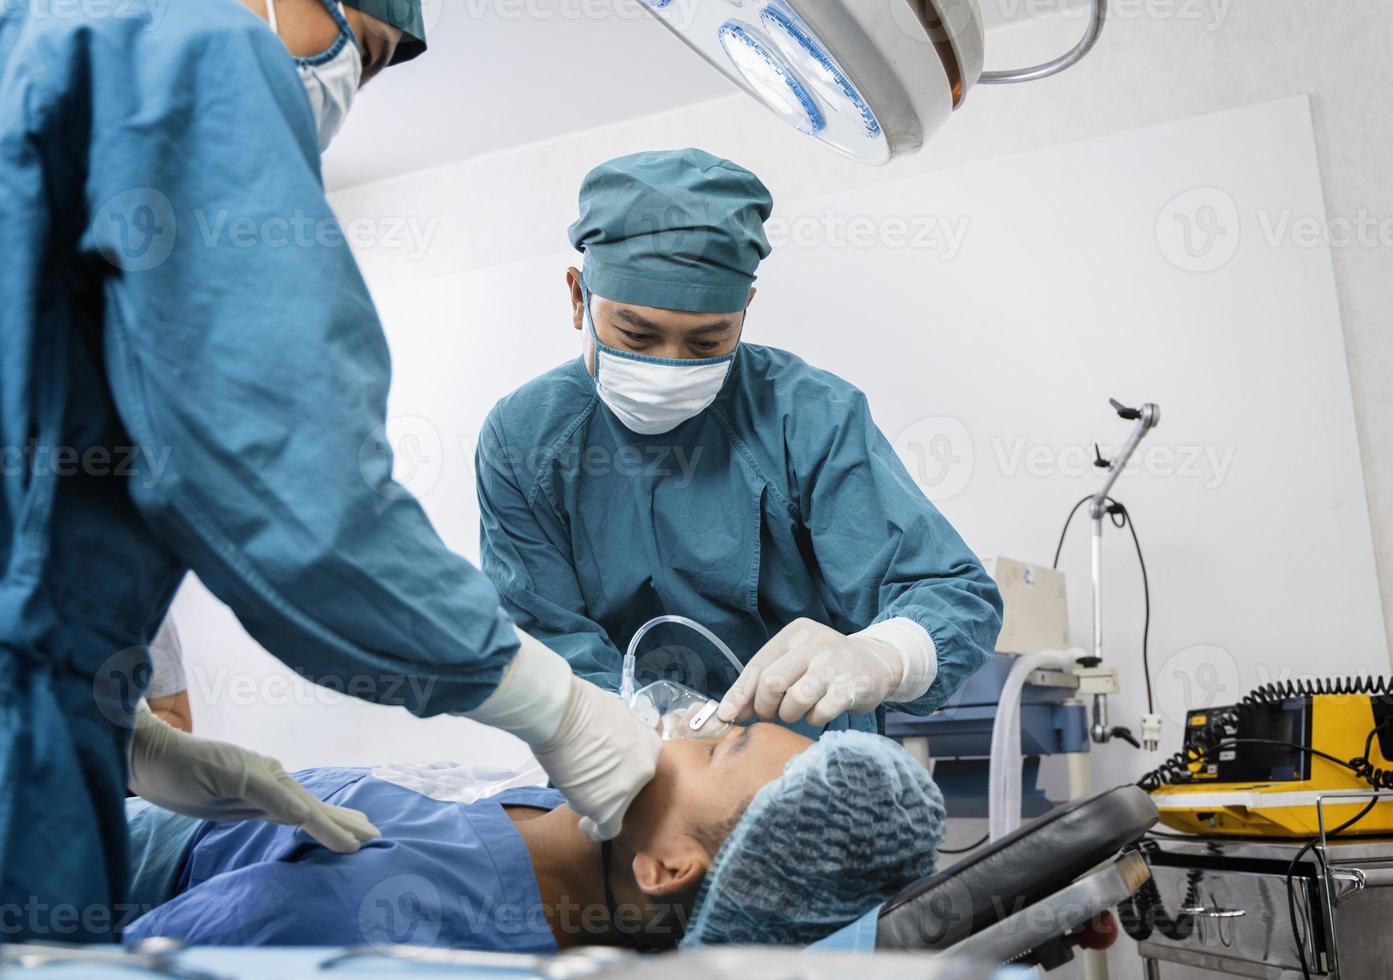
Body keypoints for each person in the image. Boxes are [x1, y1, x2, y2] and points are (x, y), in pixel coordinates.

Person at [0, 0, 659, 940]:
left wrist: (126, 737)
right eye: (371, 49)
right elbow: (292, 495)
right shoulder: (190, 45)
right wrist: (559, 709)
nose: (355, 82)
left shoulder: (44, 52)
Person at [477, 149, 1003, 736]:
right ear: (579, 298)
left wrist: (884, 654)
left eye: (707, 342)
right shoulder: (523, 439)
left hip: (807, 763)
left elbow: (952, 595)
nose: (668, 369)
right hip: (617, 760)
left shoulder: (808, 416)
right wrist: (650, 736)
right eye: (636, 334)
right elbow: (545, 639)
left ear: (745, 310)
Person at [122, 727, 946, 949]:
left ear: (666, 866)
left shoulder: (373, 915)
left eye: (709, 746)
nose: (689, 719)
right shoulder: (568, 826)